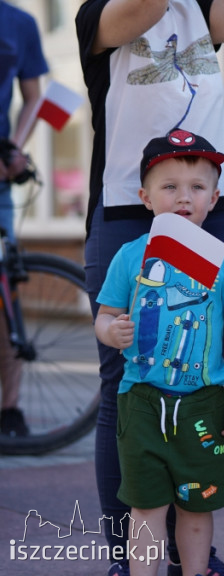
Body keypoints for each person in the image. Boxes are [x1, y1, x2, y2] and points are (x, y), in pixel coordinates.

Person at [76, 2, 224, 574]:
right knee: (126, 380)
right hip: (129, 208)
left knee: (202, 373)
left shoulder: (201, 11)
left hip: (212, 211)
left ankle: (191, 552)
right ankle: (129, 554)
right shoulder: (99, 14)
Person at [93, 131, 224, 576]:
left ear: (214, 197)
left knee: (197, 508)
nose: (184, 198)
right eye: (170, 187)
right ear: (145, 197)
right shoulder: (129, 257)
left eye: (197, 188)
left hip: (203, 402)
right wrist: (112, 330)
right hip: (141, 400)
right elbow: (104, 316)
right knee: (145, 507)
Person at [0, 0, 48, 438]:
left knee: (5, 293)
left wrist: (13, 149)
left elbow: (37, 97)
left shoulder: (21, 22)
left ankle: (9, 408)